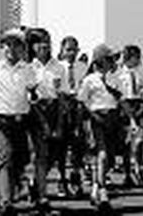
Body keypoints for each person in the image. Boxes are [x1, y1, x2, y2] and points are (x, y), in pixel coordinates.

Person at [0, 31, 37, 216]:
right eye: (7, 45)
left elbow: (32, 92)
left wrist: (33, 94)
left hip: (21, 119)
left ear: (22, 49)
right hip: (0, 118)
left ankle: (15, 188)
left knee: (20, 159)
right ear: (3, 48)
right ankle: (5, 201)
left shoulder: (28, 69)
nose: (11, 49)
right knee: (5, 157)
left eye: (16, 45)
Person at [77, 44, 123, 210]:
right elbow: (82, 101)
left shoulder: (115, 77)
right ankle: (103, 191)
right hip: (97, 117)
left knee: (110, 157)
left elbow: (120, 97)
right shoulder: (90, 80)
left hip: (113, 117)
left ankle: (96, 186)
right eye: (109, 59)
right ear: (99, 61)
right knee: (102, 154)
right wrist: (90, 117)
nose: (112, 63)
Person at [28, 27, 68, 205]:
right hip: (35, 111)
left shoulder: (59, 67)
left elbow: (61, 95)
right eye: (40, 43)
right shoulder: (28, 67)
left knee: (54, 154)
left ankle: (35, 182)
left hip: (54, 110)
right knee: (40, 153)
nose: (44, 46)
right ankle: (42, 195)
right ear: (34, 46)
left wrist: (59, 122)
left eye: (47, 42)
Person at [57, 35, 88, 197]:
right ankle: (61, 180)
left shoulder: (83, 67)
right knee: (61, 147)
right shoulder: (57, 67)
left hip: (78, 107)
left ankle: (75, 178)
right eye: (68, 49)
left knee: (78, 146)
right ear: (62, 50)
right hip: (62, 108)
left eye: (74, 49)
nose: (71, 53)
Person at [116, 44, 143, 187]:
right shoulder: (119, 73)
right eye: (135, 57)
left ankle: (138, 167)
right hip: (125, 105)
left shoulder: (141, 71)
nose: (137, 60)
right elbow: (118, 92)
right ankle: (128, 172)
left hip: (138, 103)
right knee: (127, 142)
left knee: (139, 140)